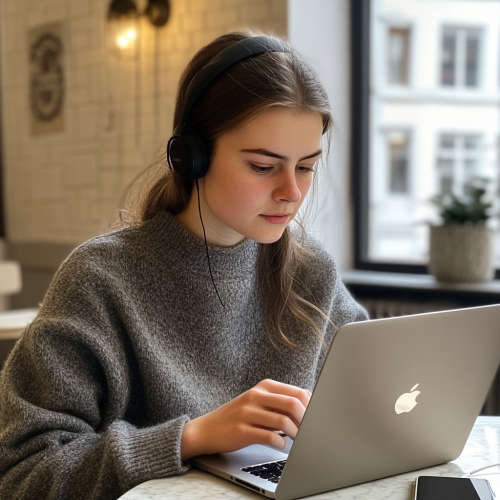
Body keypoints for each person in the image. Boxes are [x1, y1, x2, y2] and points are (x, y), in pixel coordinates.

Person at [0, 32, 368, 500]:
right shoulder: (99, 280)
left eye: (306, 166)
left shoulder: (311, 271)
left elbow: (372, 404)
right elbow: (21, 474)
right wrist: (190, 438)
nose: (291, 192)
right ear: (190, 157)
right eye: (262, 166)